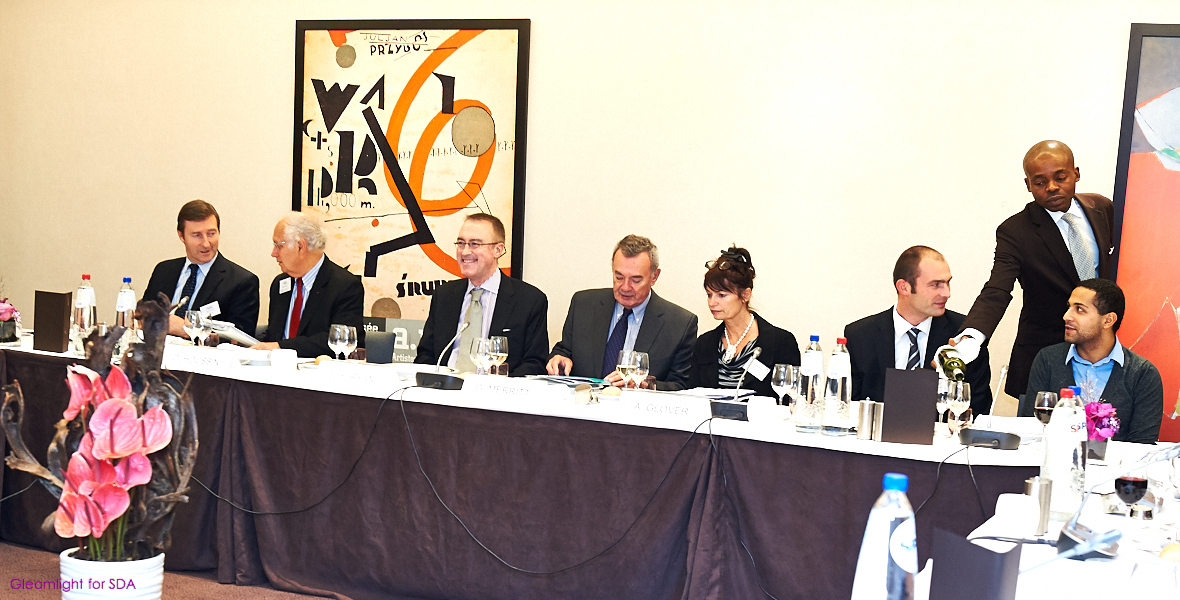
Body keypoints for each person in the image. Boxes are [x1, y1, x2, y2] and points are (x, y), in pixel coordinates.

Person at [956, 140, 1114, 399]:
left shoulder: (1102, 209)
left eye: (1060, 177)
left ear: (1076, 173)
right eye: (1040, 182)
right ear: (1028, 185)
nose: (1052, 187)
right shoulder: (1015, 232)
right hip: (1044, 356)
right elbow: (997, 288)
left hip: (1100, 352)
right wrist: (972, 336)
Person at [844, 246, 993, 415]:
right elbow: (847, 406)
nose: (947, 293)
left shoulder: (965, 335)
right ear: (904, 287)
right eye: (936, 285)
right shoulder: (860, 336)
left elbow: (979, 409)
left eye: (947, 282)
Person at [546, 234, 697, 390]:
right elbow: (565, 350)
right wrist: (560, 358)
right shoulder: (584, 305)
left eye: (636, 280)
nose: (625, 287)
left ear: (654, 277)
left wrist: (642, 384)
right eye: (619, 277)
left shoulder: (679, 324)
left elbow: (681, 385)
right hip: (583, 408)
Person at [1023, 279, 1162, 444]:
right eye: (1069, 307)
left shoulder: (1143, 374)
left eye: (1079, 309)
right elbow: (1031, 428)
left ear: (1108, 320)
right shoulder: (1048, 360)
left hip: (1117, 469)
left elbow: (1142, 446)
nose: (1066, 316)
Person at [415, 213, 548, 375]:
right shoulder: (444, 295)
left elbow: (534, 364)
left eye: (474, 244)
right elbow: (425, 355)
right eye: (461, 243)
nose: (464, 252)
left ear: (498, 250)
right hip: (444, 391)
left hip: (496, 395)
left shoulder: (529, 300)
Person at [686, 247, 799, 398]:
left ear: (745, 295)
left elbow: (791, 399)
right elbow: (691, 395)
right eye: (709, 295)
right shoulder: (705, 344)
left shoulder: (780, 342)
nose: (712, 303)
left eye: (722, 295)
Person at [252, 213, 365, 358]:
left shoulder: (345, 286)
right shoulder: (280, 284)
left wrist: (279, 347)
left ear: (300, 246)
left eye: (278, 245)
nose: (274, 253)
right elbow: (275, 335)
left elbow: (340, 342)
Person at [142, 200, 260, 338]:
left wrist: (186, 329)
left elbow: (241, 339)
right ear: (181, 236)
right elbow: (144, 316)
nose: (206, 243)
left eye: (211, 234)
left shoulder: (242, 281)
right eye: (197, 235)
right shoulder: (163, 271)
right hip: (157, 355)